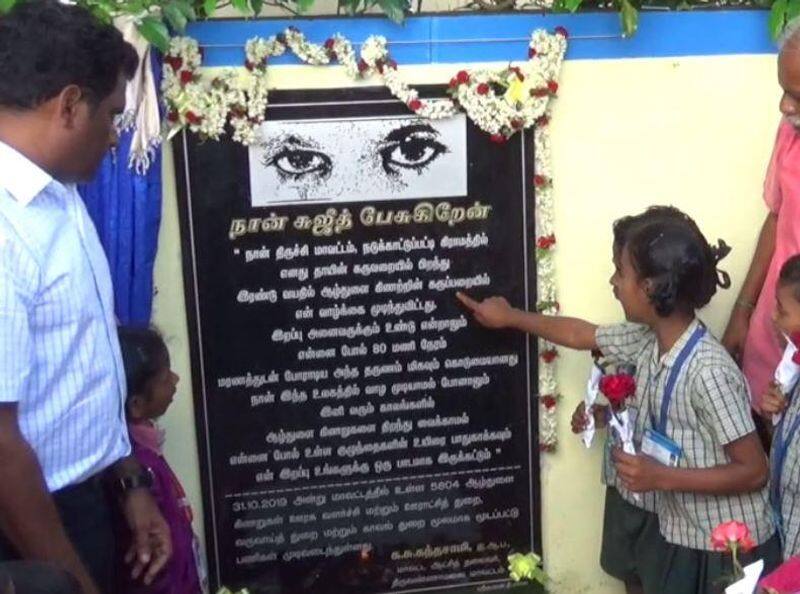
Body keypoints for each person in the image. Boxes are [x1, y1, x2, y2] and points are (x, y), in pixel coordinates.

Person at [458, 206, 781, 593]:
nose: (613, 282)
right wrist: (511, 317)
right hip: (683, 533)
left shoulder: (708, 370)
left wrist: (662, 476)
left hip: (726, 545)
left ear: (650, 287)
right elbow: (582, 334)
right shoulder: (646, 340)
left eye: (621, 272)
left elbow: (754, 470)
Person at [0, 2, 171, 594]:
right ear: (70, 105)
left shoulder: (60, 195)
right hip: (29, 531)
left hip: (88, 500)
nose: (116, 137)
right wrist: (70, 581)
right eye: (112, 116)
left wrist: (129, 482)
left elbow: (85, 363)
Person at [721, 19, 800, 412]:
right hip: (775, 325)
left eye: (796, 96)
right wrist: (744, 311)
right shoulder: (789, 132)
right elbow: (776, 219)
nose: (784, 106)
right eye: (783, 91)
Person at [117, 327, 205, 594]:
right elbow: (154, 563)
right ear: (136, 405)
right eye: (166, 378)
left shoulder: (147, 451)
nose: (176, 380)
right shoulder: (139, 470)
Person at [760, 255, 800, 559]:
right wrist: (773, 416)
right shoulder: (792, 366)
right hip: (785, 524)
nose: (774, 316)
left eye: (782, 311)